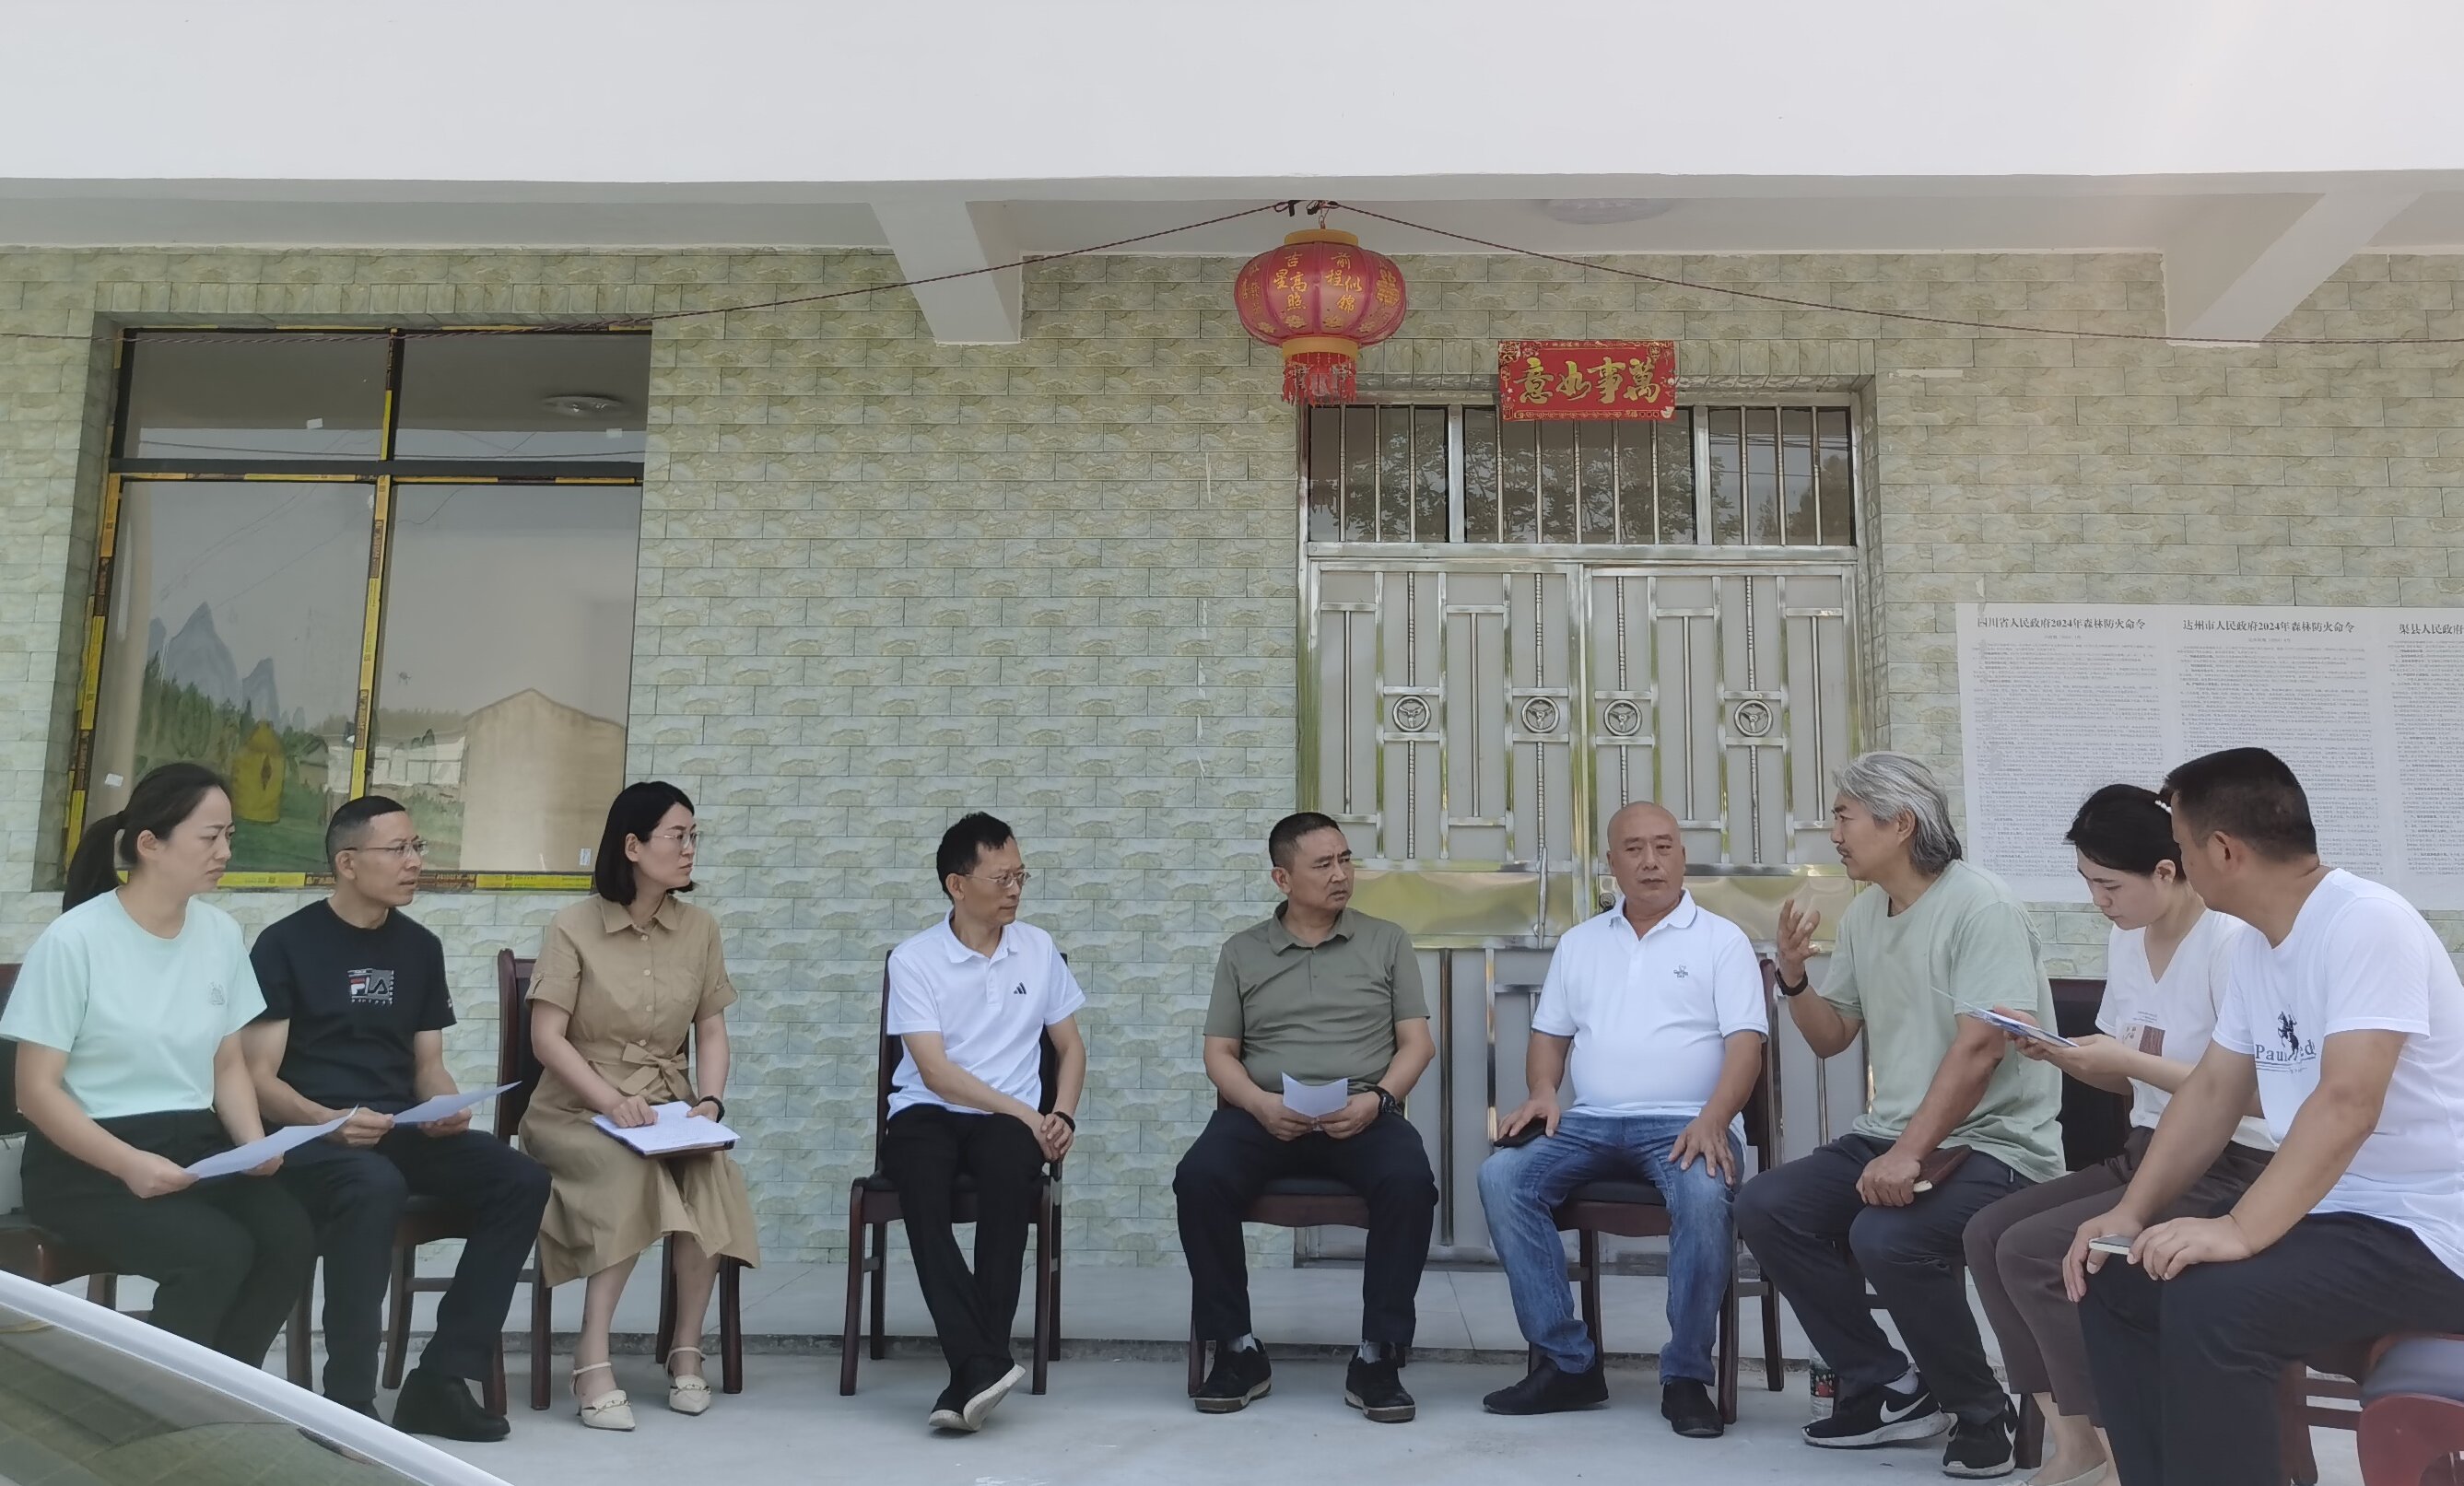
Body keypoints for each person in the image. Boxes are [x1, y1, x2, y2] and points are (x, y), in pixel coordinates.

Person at [2068, 749, 2464, 1486]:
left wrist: (2240, 1227)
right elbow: (2214, 1090)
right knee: (2117, 1277)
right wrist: (2131, 1211)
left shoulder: (2366, 922)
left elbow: (2348, 1102)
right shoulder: (2257, 944)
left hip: (2428, 1229)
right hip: (2340, 1218)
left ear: (2223, 850)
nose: (2179, 863)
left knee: (2215, 1304)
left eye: (2181, 846)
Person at [1733, 751, 2061, 1479]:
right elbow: (1832, 1036)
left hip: (1998, 1143)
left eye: (1844, 817)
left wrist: (1909, 1152)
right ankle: (1889, 1385)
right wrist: (1793, 978)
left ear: (1900, 822)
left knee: (1889, 1236)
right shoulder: (1865, 914)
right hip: (1892, 1134)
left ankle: (1982, 1411)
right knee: (1766, 1204)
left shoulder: (1982, 907)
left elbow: (1982, 1049)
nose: (1834, 834)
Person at [1962, 785, 2274, 1486]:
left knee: (2035, 1250)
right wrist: (2064, 1054)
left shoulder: (2230, 942)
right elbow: (2132, 1084)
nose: (2099, 901)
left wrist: (2126, 1060)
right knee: (1986, 1234)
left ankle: (2128, 1453)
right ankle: (2077, 1442)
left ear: (2166, 870)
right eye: (2088, 883)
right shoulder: (2128, 936)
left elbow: (2250, 1093)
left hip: (2228, 1164)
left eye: (2109, 885)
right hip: (2147, 1151)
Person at [241, 795, 551, 1439]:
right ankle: (347, 1401)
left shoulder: (419, 947)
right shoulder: (286, 944)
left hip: (397, 1128)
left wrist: (445, 1105)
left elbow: (427, 1063)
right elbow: (258, 1078)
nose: (415, 862)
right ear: (348, 862)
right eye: (399, 849)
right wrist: (329, 1120)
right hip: (311, 1136)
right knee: (373, 1185)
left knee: (520, 1178)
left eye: (417, 848)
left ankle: (439, 1381)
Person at [0, 763, 314, 1362]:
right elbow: (34, 1092)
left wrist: (254, 1144)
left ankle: (223, 1394)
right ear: (150, 843)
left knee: (289, 1236)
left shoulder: (220, 933)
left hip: (195, 1148)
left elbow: (227, 1062)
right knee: (213, 1252)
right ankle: (158, 1406)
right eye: (210, 836)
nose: (225, 852)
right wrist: (128, 1163)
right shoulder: (74, 940)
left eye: (230, 836)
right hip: (87, 1164)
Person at [1475, 802, 1768, 1437]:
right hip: (1591, 1122)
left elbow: (1746, 1045)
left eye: (1663, 846)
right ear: (1611, 862)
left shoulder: (1722, 941)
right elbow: (1549, 1036)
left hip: (1688, 1123)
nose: (1650, 861)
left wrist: (1715, 1118)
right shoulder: (1580, 943)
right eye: (1634, 849)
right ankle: (1568, 1363)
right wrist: (1543, 1090)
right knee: (1502, 1177)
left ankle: (1685, 1375)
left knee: (1703, 1192)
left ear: (1683, 856)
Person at [1174, 811, 1437, 1424]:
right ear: (1282, 878)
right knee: (1199, 1178)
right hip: (1264, 1113)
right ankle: (1236, 1349)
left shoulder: (1387, 941)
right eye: (1323, 864)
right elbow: (1219, 1054)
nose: (1341, 874)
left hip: (1362, 1109)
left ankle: (1378, 1354)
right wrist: (1259, 1103)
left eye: (1345, 859)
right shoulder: (1242, 951)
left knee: (1410, 1181)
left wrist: (1379, 1099)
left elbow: (1417, 1044)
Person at [521, 781, 758, 1432]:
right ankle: (591, 1356)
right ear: (632, 845)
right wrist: (610, 1100)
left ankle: (686, 1347)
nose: (689, 849)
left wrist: (708, 1101)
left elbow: (711, 1029)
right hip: (574, 1113)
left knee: (710, 1168)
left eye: (692, 836)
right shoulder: (573, 926)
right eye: (676, 836)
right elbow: (547, 1038)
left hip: (663, 1111)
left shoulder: (700, 928)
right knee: (630, 1172)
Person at [880, 813, 1087, 1433]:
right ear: (957, 884)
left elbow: (1070, 1047)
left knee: (1007, 1180)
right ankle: (984, 1360)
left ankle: (975, 1370)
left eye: (1020, 875)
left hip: (1008, 1122)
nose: (1015, 889)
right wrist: (1029, 1111)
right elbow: (936, 1072)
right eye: (1001, 878)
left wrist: (1062, 1113)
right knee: (922, 1188)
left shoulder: (1037, 948)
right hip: (928, 1110)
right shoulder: (915, 959)